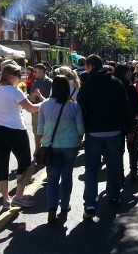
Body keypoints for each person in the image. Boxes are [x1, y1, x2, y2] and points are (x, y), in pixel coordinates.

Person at [77, 54, 132, 219]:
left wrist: (81, 131)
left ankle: (90, 204)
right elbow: (125, 107)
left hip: (93, 132)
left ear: (90, 67)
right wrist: (129, 129)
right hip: (114, 131)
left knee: (92, 169)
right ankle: (113, 197)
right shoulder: (117, 83)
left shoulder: (87, 85)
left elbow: (80, 109)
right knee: (113, 165)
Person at [0, 63, 43, 211]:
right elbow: (31, 108)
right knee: (25, 163)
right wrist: (46, 104)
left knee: (1, 164)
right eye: (19, 76)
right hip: (15, 130)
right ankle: (19, 196)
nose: (21, 79)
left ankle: (6, 199)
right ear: (11, 77)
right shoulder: (15, 91)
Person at [36, 75, 84, 224]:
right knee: (67, 175)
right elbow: (80, 127)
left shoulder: (44, 105)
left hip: (52, 145)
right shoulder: (74, 105)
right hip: (70, 145)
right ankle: (64, 205)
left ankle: (51, 208)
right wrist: (80, 138)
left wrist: (38, 146)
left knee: (53, 177)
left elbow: (40, 129)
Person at [113, 64, 138, 183]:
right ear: (124, 74)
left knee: (119, 150)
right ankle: (134, 172)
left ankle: (120, 175)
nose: (131, 75)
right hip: (130, 120)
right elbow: (137, 105)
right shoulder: (130, 88)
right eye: (129, 73)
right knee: (133, 147)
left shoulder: (113, 86)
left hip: (116, 121)